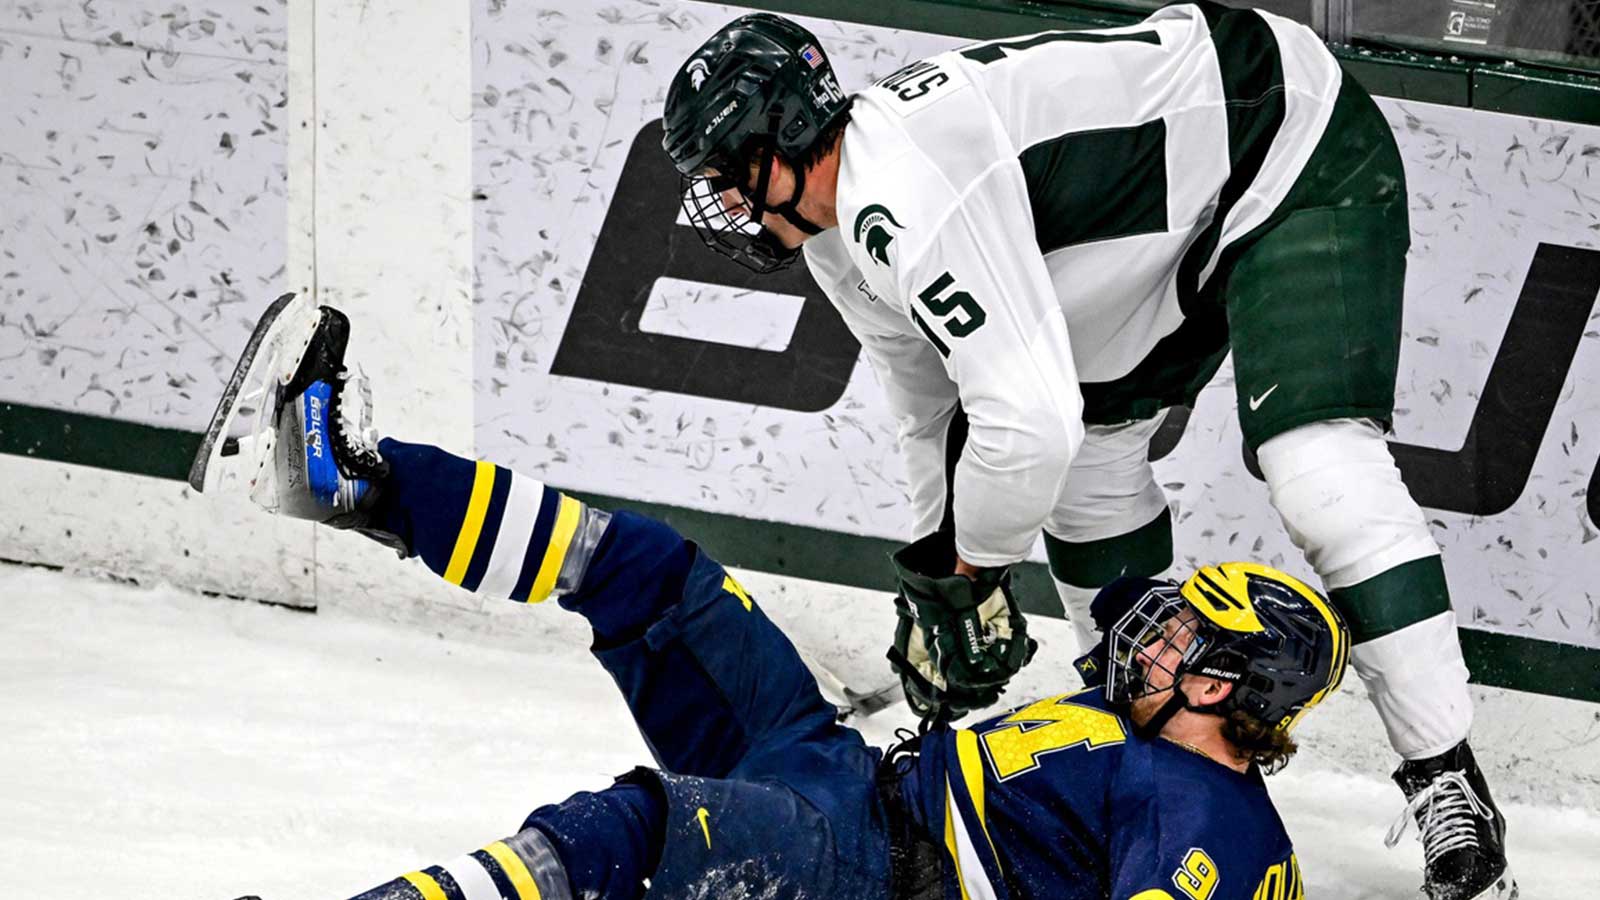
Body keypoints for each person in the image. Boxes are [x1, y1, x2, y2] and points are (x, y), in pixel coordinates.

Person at [658, 6, 1513, 898]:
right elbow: (928, 402)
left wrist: (975, 570)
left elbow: (1028, 425)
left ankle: (1444, 774)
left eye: (724, 171)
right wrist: (937, 571)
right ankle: (1155, 753)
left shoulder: (903, 191)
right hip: (1149, 220)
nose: (720, 200)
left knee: (1316, 468)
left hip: (1282, 142)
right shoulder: (843, 228)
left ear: (786, 136)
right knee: (1089, 476)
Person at [217, 301, 1350, 900]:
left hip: (858, 872)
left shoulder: (1218, 829)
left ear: (1232, 686)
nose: (1155, 634)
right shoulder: (1131, 728)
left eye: (1192, 636)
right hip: (834, 770)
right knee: (652, 576)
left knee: (627, 835)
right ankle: (352, 481)